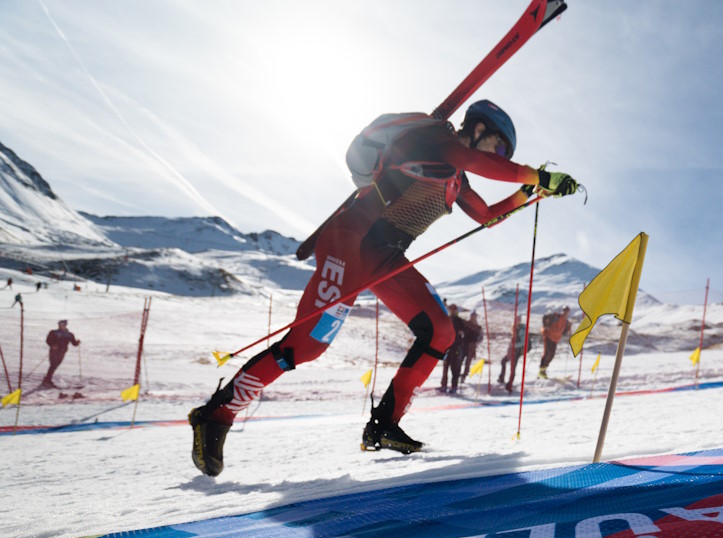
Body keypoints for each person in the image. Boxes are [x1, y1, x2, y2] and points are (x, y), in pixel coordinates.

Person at [187, 100, 578, 475]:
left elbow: (487, 215)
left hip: (385, 256)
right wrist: (537, 175)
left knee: (440, 332)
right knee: (307, 346)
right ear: (478, 129)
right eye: (500, 147)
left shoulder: (457, 180)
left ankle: (384, 425)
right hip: (351, 240)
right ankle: (216, 414)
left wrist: (529, 191)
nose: (502, 156)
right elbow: (476, 160)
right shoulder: (435, 140)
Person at [42, 319, 80, 388]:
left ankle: (47, 379)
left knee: (55, 365)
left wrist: (77, 343)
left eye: (62, 324)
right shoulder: (53, 332)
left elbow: (74, 343)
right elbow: (48, 340)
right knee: (53, 364)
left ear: (65, 325)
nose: (61, 326)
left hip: (62, 352)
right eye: (60, 324)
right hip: (54, 351)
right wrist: (52, 345)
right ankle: (47, 380)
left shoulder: (69, 334)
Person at [538, 305, 572, 379]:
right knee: (547, 353)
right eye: (565, 311)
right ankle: (541, 371)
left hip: (555, 339)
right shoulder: (556, 316)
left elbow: (564, 333)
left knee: (552, 355)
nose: (566, 313)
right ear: (562, 311)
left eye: (567, 312)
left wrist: (569, 327)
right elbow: (545, 317)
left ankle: (543, 370)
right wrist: (546, 325)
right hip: (548, 336)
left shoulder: (566, 322)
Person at [439, 304, 465, 393]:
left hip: (456, 347)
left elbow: (463, 333)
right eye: (451, 309)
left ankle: (454, 386)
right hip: (447, 347)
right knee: (445, 367)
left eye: (454, 309)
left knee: (455, 368)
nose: (452, 311)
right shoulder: (446, 320)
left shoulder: (459, 321)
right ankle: (444, 385)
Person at [498, 319, 525, 393]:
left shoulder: (521, 330)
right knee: (503, 362)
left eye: (518, 320)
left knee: (512, 369)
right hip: (511, 352)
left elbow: (523, 342)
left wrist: (514, 346)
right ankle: (502, 378)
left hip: (516, 352)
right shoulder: (514, 328)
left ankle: (509, 385)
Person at [458, 310, 482, 383]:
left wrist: (476, 343)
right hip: (464, 345)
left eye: (474, 316)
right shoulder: (466, 324)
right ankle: (457, 374)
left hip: (472, 347)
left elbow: (481, 338)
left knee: (468, 363)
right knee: (459, 361)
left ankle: (464, 376)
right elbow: (460, 332)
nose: (473, 317)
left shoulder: (478, 327)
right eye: (472, 316)